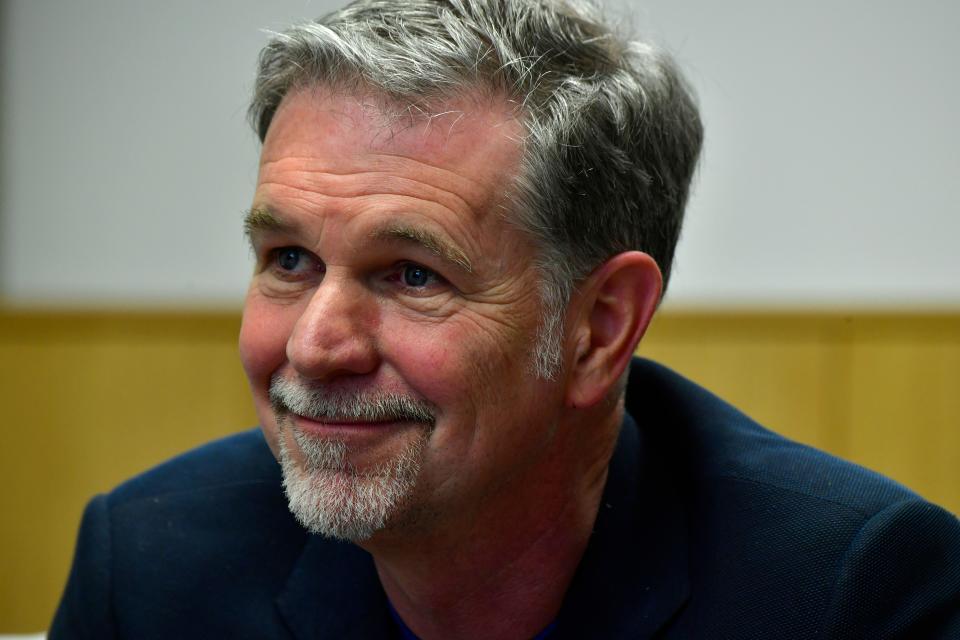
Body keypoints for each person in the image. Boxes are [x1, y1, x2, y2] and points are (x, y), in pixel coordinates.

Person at [51, 1, 960, 638]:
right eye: (288, 261)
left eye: (411, 274)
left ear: (599, 328)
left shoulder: (848, 595)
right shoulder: (149, 569)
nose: (313, 345)